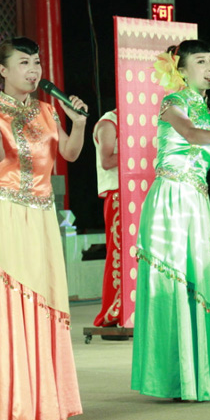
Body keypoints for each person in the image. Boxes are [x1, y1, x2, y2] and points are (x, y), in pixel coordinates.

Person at [0, 37, 86, 420]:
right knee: (12, 301)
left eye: (36, 63)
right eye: (23, 63)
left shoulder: (48, 111)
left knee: (43, 299)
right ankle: (13, 402)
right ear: (2, 70)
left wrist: (79, 123)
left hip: (43, 217)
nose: (33, 71)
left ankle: (43, 400)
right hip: (8, 215)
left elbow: (69, 154)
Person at [131, 39, 210, 401]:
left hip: (196, 200)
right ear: (181, 71)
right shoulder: (174, 102)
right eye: (200, 62)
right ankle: (172, 377)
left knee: (199, 280)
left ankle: (196, 374)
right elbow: (190, 135)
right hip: (170, 198)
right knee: (173, 284)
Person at [92, 107, 122, 327]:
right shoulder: (109, 122)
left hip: (142, 193)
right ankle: (115, 309)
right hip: (118, 195)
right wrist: (139, 148)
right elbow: (107, 161)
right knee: (118, 253)